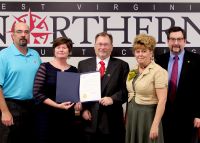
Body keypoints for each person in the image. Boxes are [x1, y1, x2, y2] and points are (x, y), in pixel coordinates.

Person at [78, 32, 129, 143]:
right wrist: (84, 109)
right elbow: (79, 90)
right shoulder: (83, 64)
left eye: (106, 44)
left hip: (112, 122)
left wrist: (112, 99)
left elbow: (126, 91)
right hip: (89, 121)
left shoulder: (122, 65)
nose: (102, 47)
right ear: (94, 46)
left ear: (111, 47)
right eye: (99, 44)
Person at [155, 26, 200, 143]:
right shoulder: (159, 60)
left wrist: (198, 114)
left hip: (188, 117)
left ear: (185, 41)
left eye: (179, 39)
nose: (176, 43)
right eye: (172, 39)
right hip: (164, 115)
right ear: (167, 41)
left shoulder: (197, 60)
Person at [33, 37, 82, 143]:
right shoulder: (44, 67)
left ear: (69, 51)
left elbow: (78, 92)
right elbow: (37, 92)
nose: (61, 49)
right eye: (58, 47)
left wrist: (78, 102)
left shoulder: (74, 70)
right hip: (46, 116)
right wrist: (57, 105)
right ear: (54, 50)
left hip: (67, 117)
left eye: (64, 47)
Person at [0, 22, 41, 143]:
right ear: (12, 35)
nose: (23, 35)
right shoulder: (3, 56)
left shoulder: (35, 54)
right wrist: (5, 111)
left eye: (26, 32)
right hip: (11, 107)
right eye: (19, 32)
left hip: (33, 107)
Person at [125, 34, 168, 143]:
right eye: (137, 51)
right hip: (132, 115)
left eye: (144, 51)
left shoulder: (159, 72)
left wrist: (155, 125)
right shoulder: (133, 70)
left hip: (148, 117)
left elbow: (162, 100)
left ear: (151, 52)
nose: (140, 54)